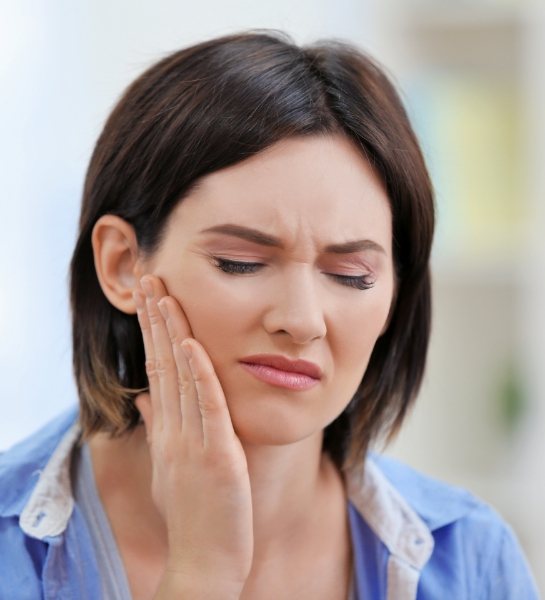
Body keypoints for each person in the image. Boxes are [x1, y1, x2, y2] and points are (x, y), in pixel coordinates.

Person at [0, 31, 539, 600]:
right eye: (241, 262)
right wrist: (201, 573)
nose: (303, 320)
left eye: (352, 275)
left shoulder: (473, 561)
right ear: (123, 265)